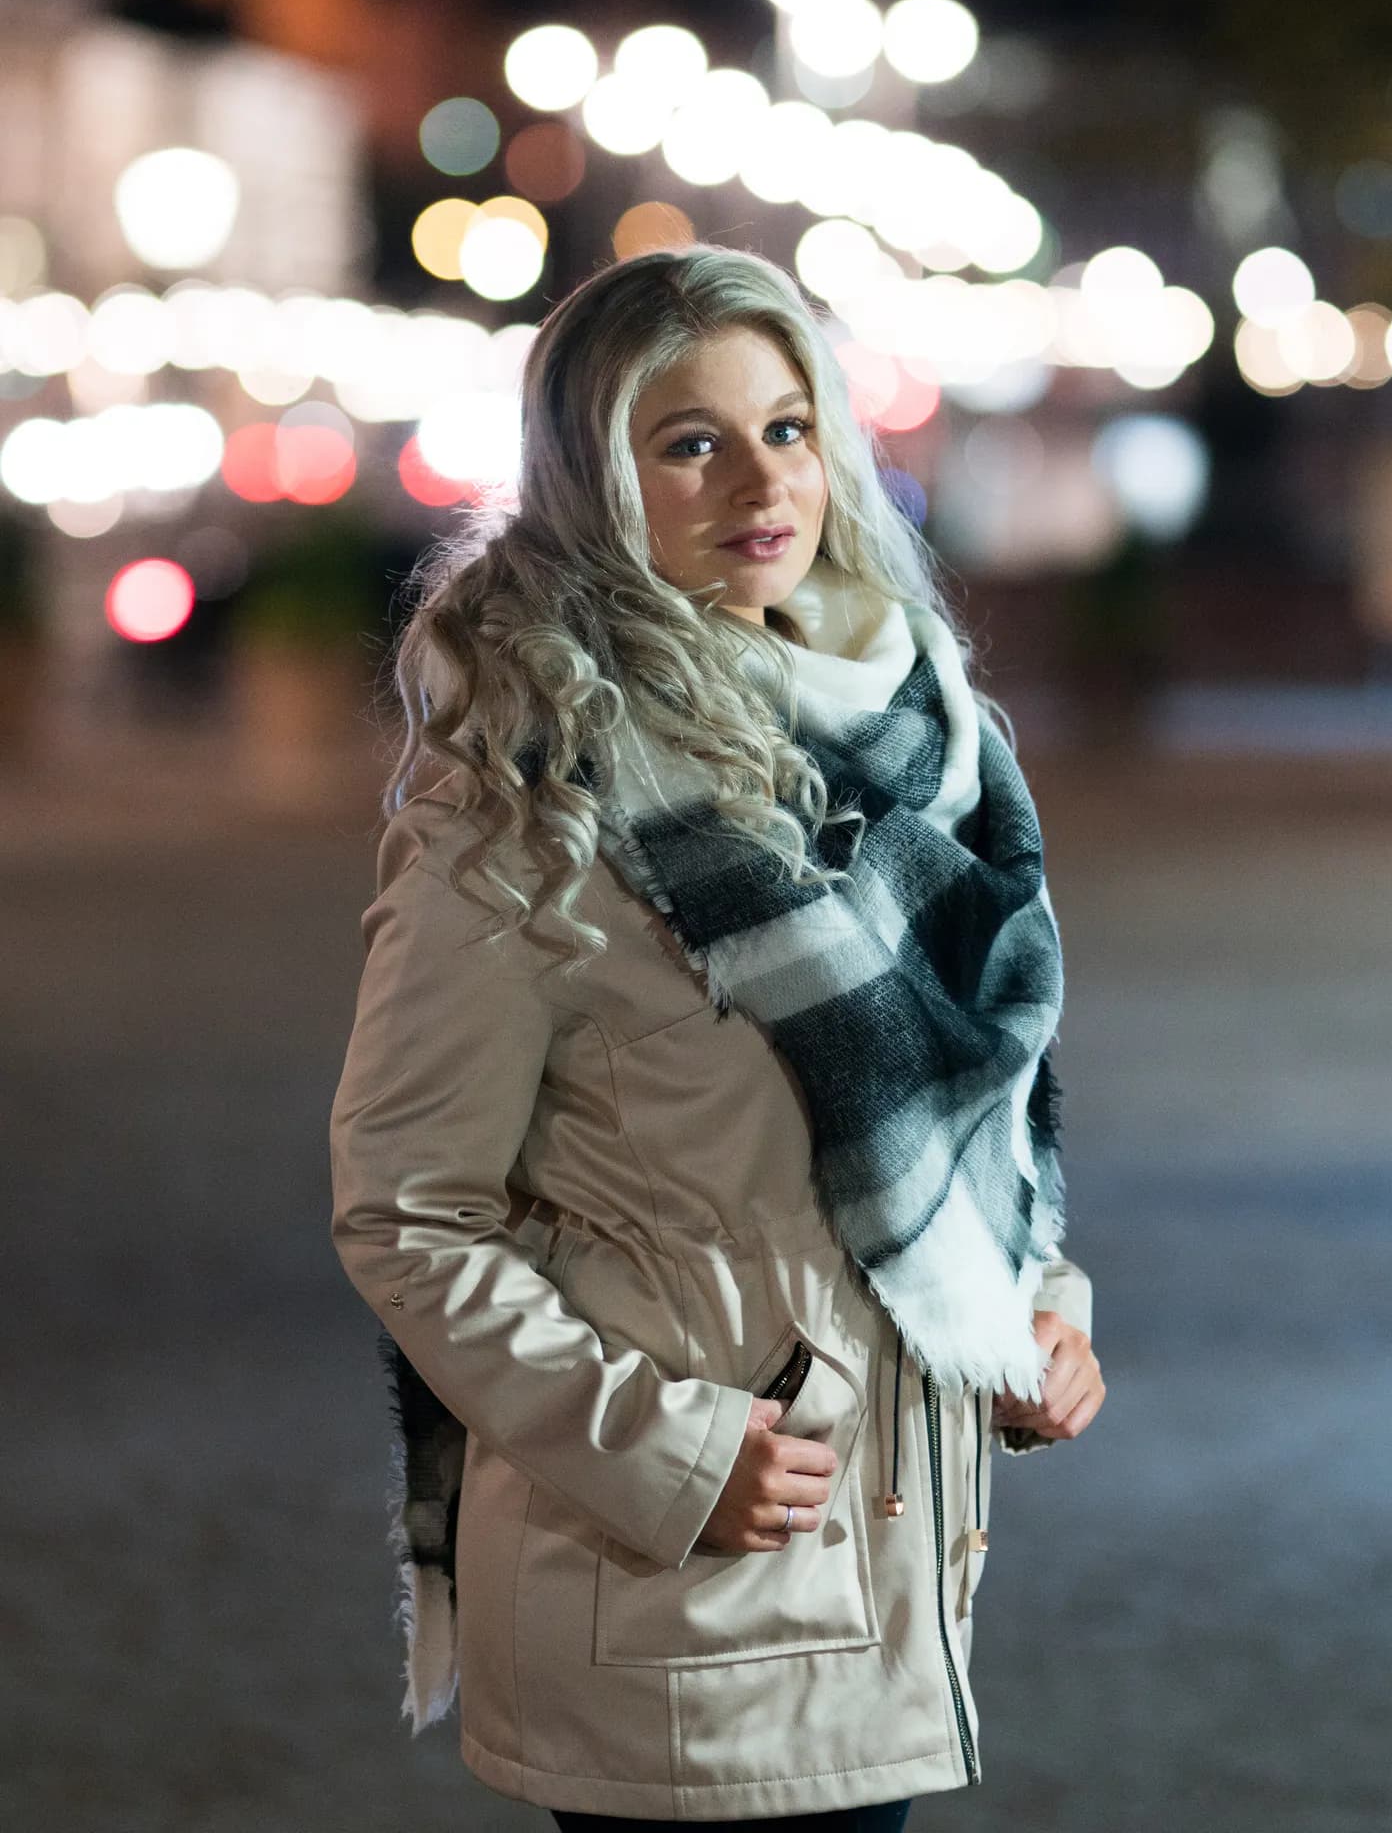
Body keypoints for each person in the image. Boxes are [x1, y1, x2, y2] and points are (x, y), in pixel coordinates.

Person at [328, 243, 1105, 1831]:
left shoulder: (913, 745)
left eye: (788, 427)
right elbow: (406, 1212)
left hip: (883, 1571)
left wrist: (1030, 1309)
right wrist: (669, 1450)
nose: (762, 480)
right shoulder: (527, 811)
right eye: (688, 442)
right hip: (676, 1584)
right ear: (594, 480)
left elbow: (967, 1111)